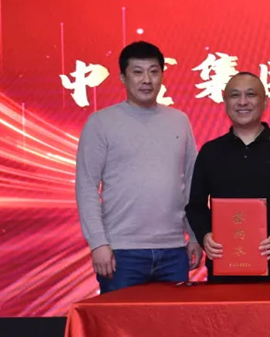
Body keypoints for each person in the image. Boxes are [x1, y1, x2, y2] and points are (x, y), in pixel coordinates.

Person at [75, 41, 202, 293]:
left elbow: (191, 181)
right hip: (121, 252)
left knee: (174, 318)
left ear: (162, 75)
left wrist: (195, 236)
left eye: (154, 72)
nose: (147, 80)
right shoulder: (101, 122)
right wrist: (98, 243)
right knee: (120, 319)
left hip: (174, 250)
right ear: (123, 77)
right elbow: (86, 186)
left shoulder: (179, 120)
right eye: (137, 72)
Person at [185, 72, 270, 282]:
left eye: (251, 94)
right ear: (225, 102)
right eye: (235, 95)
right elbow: (196, 206)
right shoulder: (210, 151)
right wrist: (205, 235)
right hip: (224, 264)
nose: (243, 102)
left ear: (265, 102)